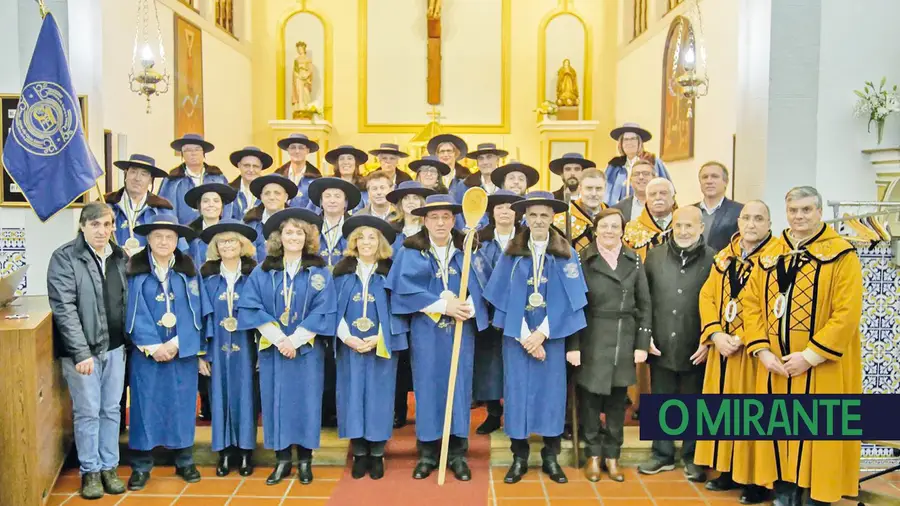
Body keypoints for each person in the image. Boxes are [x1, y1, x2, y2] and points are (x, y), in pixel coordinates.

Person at [743, 187, 862, 506]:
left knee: (817, 428)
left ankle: (816, 493)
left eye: (807, 210)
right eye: (793, 210)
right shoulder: (771, 253)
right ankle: (784, 488)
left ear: (820, 212)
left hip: (820, 366)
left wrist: (810, 356)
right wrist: (762, 350)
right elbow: (751, 303)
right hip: (775, 364)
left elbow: (847, 312)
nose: (799, 216)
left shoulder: (841, 253)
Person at [484, 191, 588, 485]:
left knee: (551, 396)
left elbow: (572, 299)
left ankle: (550, 457)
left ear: (552, 218)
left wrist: (542, 333)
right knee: (517, 395)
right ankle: (519, 457)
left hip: (552, 339)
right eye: (533, 215)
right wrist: (524, 335)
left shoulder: (565, 254)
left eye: (544, 215)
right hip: (517, 339)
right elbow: (500, 298)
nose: (539, 220)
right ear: (525, 218)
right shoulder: (512, 254)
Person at [385, 194, 489, 481]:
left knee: (458, 387)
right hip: (426, 330)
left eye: (445, 217)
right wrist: (444, 306)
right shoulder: (410, 250)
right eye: (434, 217)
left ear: (454, 219)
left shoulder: (467, 248)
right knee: (428, 386)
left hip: (460, 329)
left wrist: (467, 305)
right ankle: (429, 452)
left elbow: (482, 287)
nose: (441, 222)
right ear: (424, 220)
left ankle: (457, 452)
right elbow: (402, 289)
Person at [236, 207, 337, 486]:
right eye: (288, 232)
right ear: (279, 237)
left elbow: (324, 309)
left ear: (308, 237)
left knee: (306, 402)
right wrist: (279, 339)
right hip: (274, 349)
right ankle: (281, 461)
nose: (294, 237)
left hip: (306, 350)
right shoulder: (263, 271)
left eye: (299, 232)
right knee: (275, 402)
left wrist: (295, 340)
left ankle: (305, 461)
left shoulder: (319, 272)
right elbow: (250, 305)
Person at [47, 203, 129, 500]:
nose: (102, 231)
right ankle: (90, 471)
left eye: (107, 225)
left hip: (115, 348)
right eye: (95, 225)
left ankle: (110, 467)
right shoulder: (65, 257)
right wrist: (81, 352)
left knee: (111, 410)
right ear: (82, 226)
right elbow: (64, 309)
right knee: (87, 413)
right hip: (84, 354)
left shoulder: (120, 256)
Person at [694, 200, 773, 504]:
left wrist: (743, 337)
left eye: (758, 218)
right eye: (746, 218)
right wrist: (715, 333)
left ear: (769, 223)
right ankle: (727, 469)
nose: (751, 224)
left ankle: (755, 479)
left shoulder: (776, 256)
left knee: (752, 413)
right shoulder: (725, 256)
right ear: (738, 222)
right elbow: (708, 296)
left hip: (753, 351)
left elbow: (776, 304)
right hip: (722, 348)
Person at [568, 207, 651, 482]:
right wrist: (574, 345)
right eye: (604, 226)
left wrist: (642, 342)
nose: (609, 231)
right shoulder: (582, 260)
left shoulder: (634, 260)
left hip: (622, 337)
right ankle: (593, 455)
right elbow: (574, 306)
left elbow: (644, 305)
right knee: (590, 400)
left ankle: (613, 456)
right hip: (591, 336)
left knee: (617, 402)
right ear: (595, 230)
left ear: (623, 231)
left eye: (615, 227)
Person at [124, 214, 205, 490]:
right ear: (148, 239)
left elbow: (198, 311)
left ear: (176, 241)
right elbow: (133, 311)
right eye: (158, 236)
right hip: (147, 353)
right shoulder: (136, 271)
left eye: (169, 237)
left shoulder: (188, 271)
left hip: (180, 351)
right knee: (145, 406)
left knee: (182, 405)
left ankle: (184, 460)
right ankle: (141, 465)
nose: (163, 241)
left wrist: (177, 343)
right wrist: (153, 346)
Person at [638, 206, 715, 482]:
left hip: (697, 345)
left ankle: (694, 458)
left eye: (689, 227)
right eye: (678, 225)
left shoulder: (714, 259)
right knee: (660, 397)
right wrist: (644, 335)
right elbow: (644, 299)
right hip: (660, 342)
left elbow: (717, 303)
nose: (683, 231)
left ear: (701, 228)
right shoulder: (655, 256)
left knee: (695, 401)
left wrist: (708, 340)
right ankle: (661, 454)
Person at [332, 216, 408, 480]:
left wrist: (380, 337)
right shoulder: (341, 273)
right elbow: (330, 308)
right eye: (361, 237)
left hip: (381, 346)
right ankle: (359, 452)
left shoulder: (391, 272)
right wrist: (346, 337)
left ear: (381, 242)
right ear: (353, 242)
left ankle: (377, 454)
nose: (366, 242)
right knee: (352, 396)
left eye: (372, 237)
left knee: (379, 397)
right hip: (349, 345)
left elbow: (399, 309)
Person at [198, 218, 260, 477]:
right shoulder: (207, 277)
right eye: (222, 241)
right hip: (218, 346)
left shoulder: (254, 275)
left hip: (247, 346)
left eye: (232, 240)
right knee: (219, 395)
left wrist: (262, 349)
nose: (227, 245)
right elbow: (200, 316)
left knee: (246, 395)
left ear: (242, 244)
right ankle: (223, 452)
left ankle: (246, 452)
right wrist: (201, 353)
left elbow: (262, 311)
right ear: (215, 246)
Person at [471, 189, 523, 435]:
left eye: (510, 207)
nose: (505, 211)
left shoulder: (526, 238)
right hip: (488, 310)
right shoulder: (478, 240)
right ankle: (493, 413)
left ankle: (516, 414)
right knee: (490, 363)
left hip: (521, 311)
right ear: (492, 212)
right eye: (499, 207)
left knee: (516, 364)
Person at [384, 180, 435, 428]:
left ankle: (428, 412)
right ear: (400, 203)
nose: (412, 202)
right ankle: (398, 408)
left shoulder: (432, 232)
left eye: (417, 198)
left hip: (426, 301)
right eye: (407, 199)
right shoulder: (390, 231)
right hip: (395, 298)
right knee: (399, 356)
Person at [106, 154, 174, 257]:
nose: (137, 178)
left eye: (144, 174)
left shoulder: (162, 209)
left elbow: (174, 246)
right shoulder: (106, 204)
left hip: (147, 269)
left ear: (151, 180)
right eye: (133, 172)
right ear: (126, 174)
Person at [159, 134, 228, 225]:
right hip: (185, 233)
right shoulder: (172, 181)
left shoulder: (217, 177)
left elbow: (228, 207)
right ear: (182, 154)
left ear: (203, 152)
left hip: (215, 232)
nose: (193, 153)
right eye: (188, 150)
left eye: (197, 149)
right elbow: (167, 212)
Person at [604, 123, 672, 206]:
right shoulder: (614, 166)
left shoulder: (653, 162)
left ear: (639, 142)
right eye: (625, 139)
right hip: (619, 212)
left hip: (647, 210)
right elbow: (606, 193)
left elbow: (667, 190)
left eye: (633, 139)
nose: (629, 142)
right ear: (621, 143)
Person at [308, 177, 363, 270]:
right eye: (327, 196)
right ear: (321, 202)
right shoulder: (310, 227)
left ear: (345, 202)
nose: (332, 201)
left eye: (337, 196)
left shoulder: (356, 228)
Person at [553, 167, 608, 254]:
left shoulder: (613, 217)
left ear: (605, 190)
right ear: (580, 189)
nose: (594, 194)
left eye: (598, 189)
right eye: (589, 188)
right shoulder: (561, 220)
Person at [244, 174, 298, 262]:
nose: (272, 197)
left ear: (286, 197)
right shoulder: (250, 225)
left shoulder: (298, 224)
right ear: (261, 197)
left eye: (277, 193)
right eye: (267, 193)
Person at [184, 183, 238, 269]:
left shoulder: (234, 233)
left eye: (216, 201)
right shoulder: (188, 236)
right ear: (199, 206)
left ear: (222, 205)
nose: (211, 204)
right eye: (206, 201)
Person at [693, 161, 744, 252]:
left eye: (715, 176)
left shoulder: (739, 211)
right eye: (705, 177)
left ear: (726, 182)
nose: (709, 181)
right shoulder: (689, 211)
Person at [623, 177, 677, 260]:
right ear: (647, 201)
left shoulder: (685, 224)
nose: (658, 197)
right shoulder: (632, 229)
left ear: (673, 198)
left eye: (663, 193)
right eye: (652, 194)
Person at [274, 133, 322, 210]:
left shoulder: (316, 178)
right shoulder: (278, 176)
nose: (297, 151)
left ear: (307, 151)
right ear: (288, 150)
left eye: (301, 148)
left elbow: (316, 207)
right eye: (293, 147)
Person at [228, 146, 272, 220]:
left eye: (255, 166)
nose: (251, 170)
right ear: (239, 165)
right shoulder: (228, 191)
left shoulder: (270, 192)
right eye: (246, 165)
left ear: (261, 167)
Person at [325, 144, 369, 212]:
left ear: (355, 163)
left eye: (349, 158)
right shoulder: (327, 186)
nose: (346, 162)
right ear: (337, 164)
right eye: (342, 159)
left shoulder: (365, 187)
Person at [613, 156, 657, 223]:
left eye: (645, 173)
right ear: (630, 180)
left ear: (654, 178)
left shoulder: (666, 206)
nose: (641, 177)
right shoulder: (618, 209)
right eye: (636, 174)